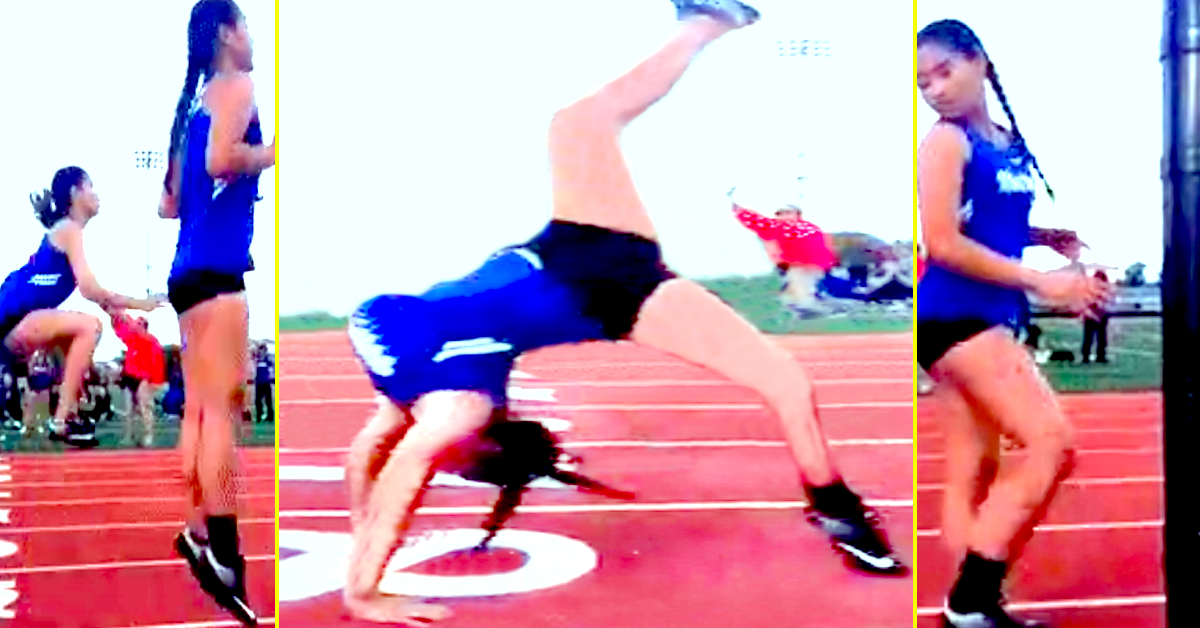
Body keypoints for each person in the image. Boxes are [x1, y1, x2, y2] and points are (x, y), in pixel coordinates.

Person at [344, 2, 905, 625]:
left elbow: (394, 459)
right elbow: (389, 455)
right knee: (784, 379)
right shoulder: (458, 399)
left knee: (576, 124)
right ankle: (835, 506)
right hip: (603, 280)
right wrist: (364, 562)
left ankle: (704, 24)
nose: (441, 463)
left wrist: (363, 574)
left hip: (579, 257)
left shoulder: (448, 403)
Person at [916, 19, 1112, 628]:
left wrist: (1044, 237)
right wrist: (1044, 281)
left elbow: (993, 222)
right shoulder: (945, 141)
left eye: (944, 71)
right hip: (953, 314)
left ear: (979, 62)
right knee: (1051, 443)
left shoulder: (1007, 141)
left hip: (980, 314)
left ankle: (968, 607)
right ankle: (970, 603)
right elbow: (942, 241)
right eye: (923, 82)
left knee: (974, 471)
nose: (935, 89)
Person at [159, 1, 273, 625]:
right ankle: (226, 556)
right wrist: (272, 153)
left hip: (187, 271)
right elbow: (221, 160)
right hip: (217, 268)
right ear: (227, 33)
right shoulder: (236, 86)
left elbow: (169, 204)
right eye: (247, 24)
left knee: (201, 411)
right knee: (222, 412)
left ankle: (198, 531)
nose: (254, 36)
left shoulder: (191, 106)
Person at [0, 169, 161, 447]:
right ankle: (61, 420)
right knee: (89, 327)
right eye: (91, 187)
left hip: (18, 324)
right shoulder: (69, 230)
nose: (97, 194)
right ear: (75, 193)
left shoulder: (66, 232)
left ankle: (69, 413)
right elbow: (90, 290)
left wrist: (128, 313)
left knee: (74, 339)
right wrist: (140, 304)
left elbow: (101, 299)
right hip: (13, 324)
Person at [730, 196, 838, 316]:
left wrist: (739, 211)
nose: (782, 216)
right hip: (817, 264)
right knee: (797, 289)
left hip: (804, 265)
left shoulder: (783, 227)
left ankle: (814, 310)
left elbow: (760, 224)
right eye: (780, 213)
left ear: (796, 214)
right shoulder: (809, 227)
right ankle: (809, 307)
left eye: (787, 213)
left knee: (800, 291)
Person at [109, 310, 167, 447]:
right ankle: (129, 436)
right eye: (137, 323)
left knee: (145, 407)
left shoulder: (151, 340)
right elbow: (119, 330)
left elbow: (157, 361)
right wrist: (114, 316)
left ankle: (149, 436)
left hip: (143, 377)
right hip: (129, 376)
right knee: (128, 410)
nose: (136, 325)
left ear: (145, 326)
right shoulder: (132, 338)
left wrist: (154, 380)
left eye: (140, 323)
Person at [1080, 270, 1109, 363]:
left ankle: (1100, 355)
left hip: (1101, 315)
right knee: (1089, 337)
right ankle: (1086, 356)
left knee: (1101, 338)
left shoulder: (1104, 290)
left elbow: (1106, 302)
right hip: (1091, 315)